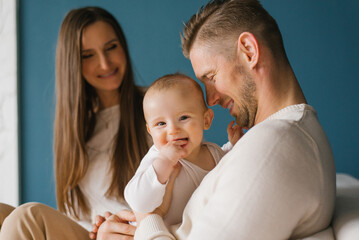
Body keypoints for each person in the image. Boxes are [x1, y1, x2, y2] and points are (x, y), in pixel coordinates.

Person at [0, 0, 336, 239]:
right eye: (88, 55)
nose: (212, 99)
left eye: (211, 76)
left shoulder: (273, 147)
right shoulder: (260, 142)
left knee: (26, 219)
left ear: (249, 51)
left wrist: (148, 218)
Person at [0, 6, 150, 238]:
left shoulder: (155, 107)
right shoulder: (75, 129)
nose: (105, 63)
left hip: (130, 233)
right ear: (73, 64)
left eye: (111, 47)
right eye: (88, 55)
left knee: (26, 217)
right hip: (88, 234)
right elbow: (74, 216)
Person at [124, 73, 241, 226]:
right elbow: (138, 202)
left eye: (183, 118)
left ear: (206, 120)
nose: (173, 130)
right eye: (160, 124)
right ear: (150, 131)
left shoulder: (214, 152)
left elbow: (226, 164)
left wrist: (234, 145)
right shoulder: (157, 159)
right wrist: (164, 163)